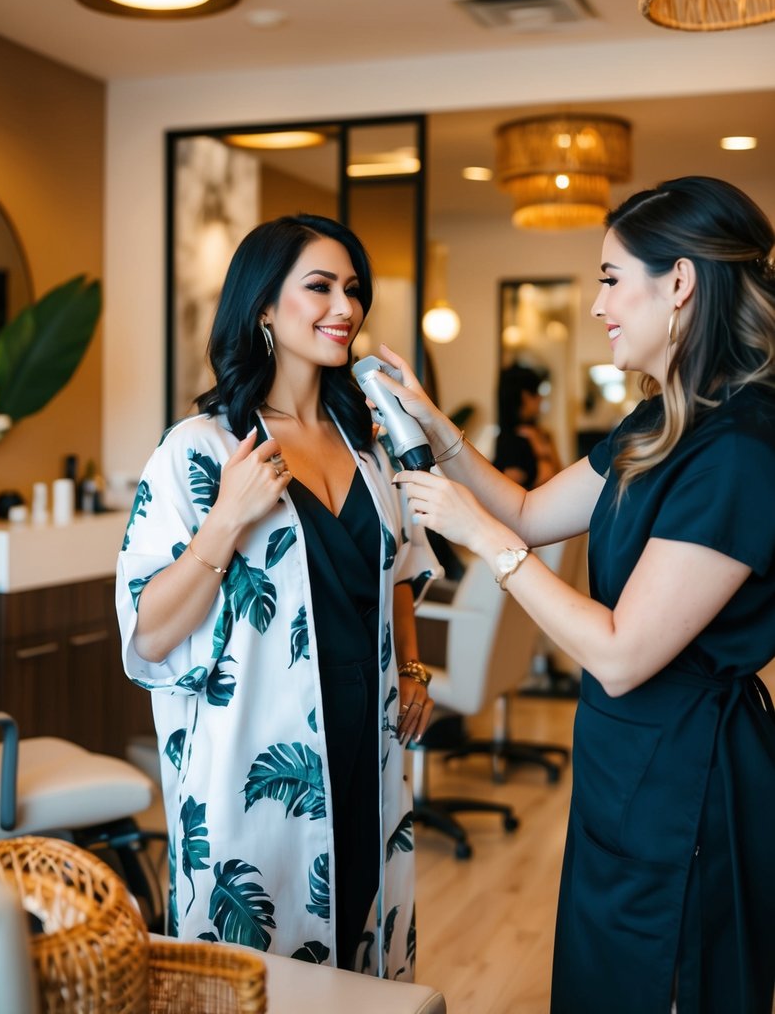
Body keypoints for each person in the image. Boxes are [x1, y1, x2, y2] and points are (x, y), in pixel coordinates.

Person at [381, 177, 775, 1013]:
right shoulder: (663, 421)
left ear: (679, 283)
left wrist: (486, 545)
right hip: (621, 761)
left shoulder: (738, 448)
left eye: (607, 277)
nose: (594, 303)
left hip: (688, 780)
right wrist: (433, 424)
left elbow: (621, 653)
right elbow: (527, 509)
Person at [116, 214, 440, 978]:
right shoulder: (196, 450)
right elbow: (149, 635)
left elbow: (397, 569)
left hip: (369, 742)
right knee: (255, 965)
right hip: (261, 762)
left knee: (360, 945)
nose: (345, 308)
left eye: (353, 290)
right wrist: (224, 521)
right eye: (319, 286)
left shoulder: (367, 441)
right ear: (263, 306)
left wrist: (416, 667)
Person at [493, 362, 562, 488]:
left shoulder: (535, 434)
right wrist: (542, 453)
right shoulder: (514, 442)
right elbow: (552, 479)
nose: (541, 398)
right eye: (537, 393)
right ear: (525, 397)